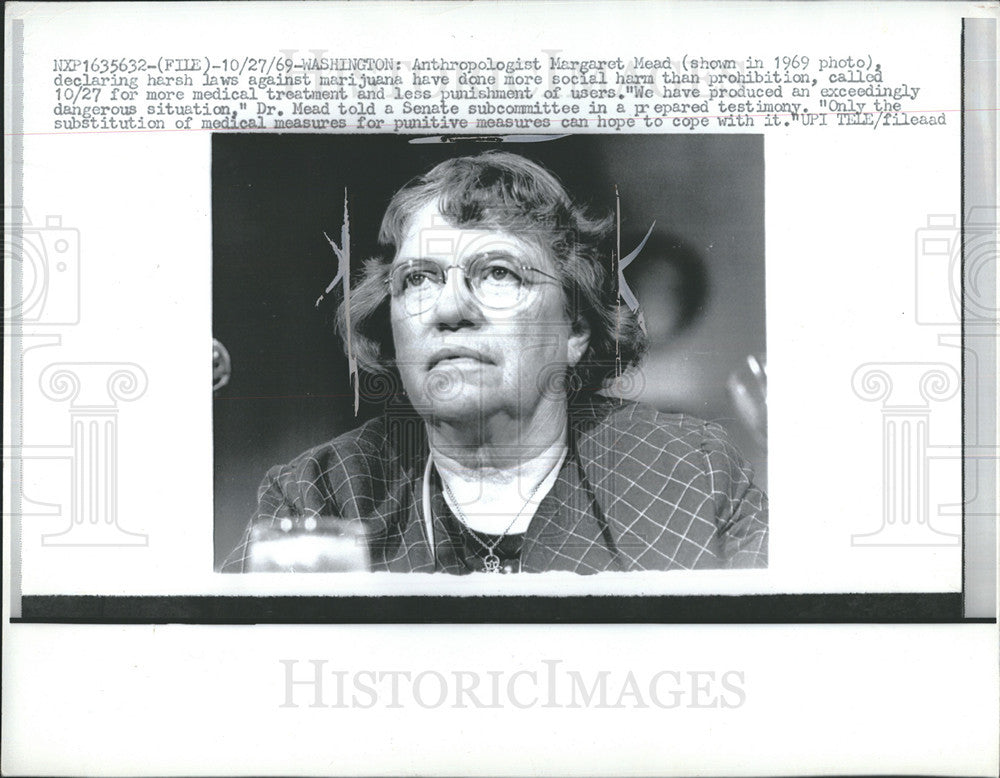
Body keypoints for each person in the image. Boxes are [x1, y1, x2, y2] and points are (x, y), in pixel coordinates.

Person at [223, 151, 767, 574]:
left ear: (575, 328)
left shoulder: (692, 475)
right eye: (418, 279)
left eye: (499, 273)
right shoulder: (322, 493)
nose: (451, 307)